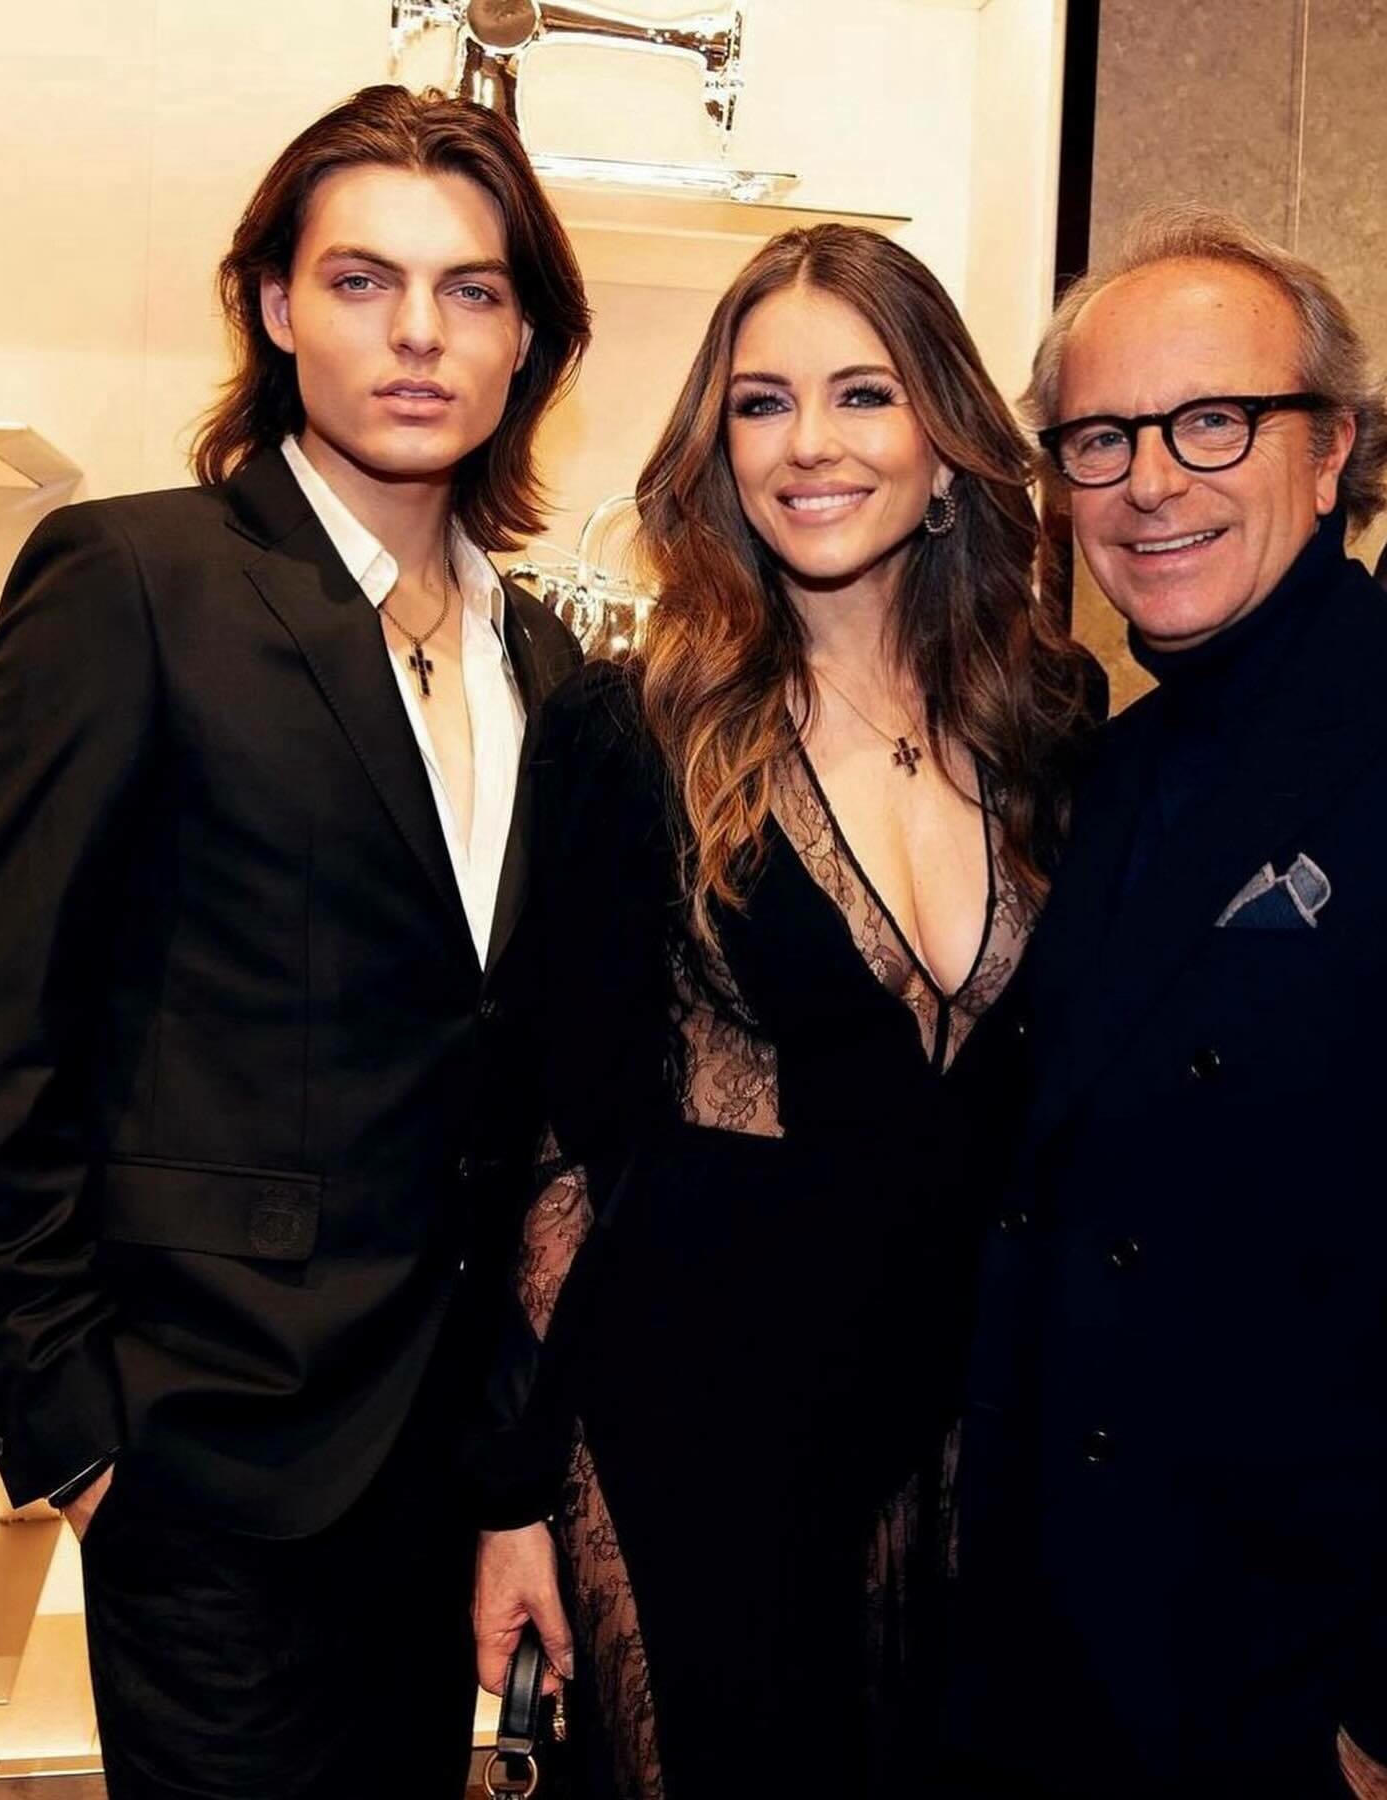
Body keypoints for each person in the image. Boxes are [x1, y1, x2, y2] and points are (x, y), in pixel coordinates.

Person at [0, 84, 588, 1798]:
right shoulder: (133, 582)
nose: (418, 334)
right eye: (364, 280)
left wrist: (513, 1467)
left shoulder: (547, 665)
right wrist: (75, 1439)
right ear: (276, 305)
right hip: (205, 1476)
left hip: (442, 1486)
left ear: (527, 337)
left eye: (469, 290)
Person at [471, 223, 1093, 1798]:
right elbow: (554, 1139)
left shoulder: (1050, 721)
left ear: (946, 443)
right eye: (762, 403)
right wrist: (513, 1495)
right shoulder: (633, 731)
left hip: (966, 1433)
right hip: (697, 1427)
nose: (809, 443)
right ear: (718, 449)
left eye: (862, 393)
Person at [943, 206, 1387, 1800]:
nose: (1149, 481)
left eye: (1214, 422)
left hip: (1293, 1684)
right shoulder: (1105, 765)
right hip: (1065, 1659)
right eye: (1102, 438)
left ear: (1330, 452)